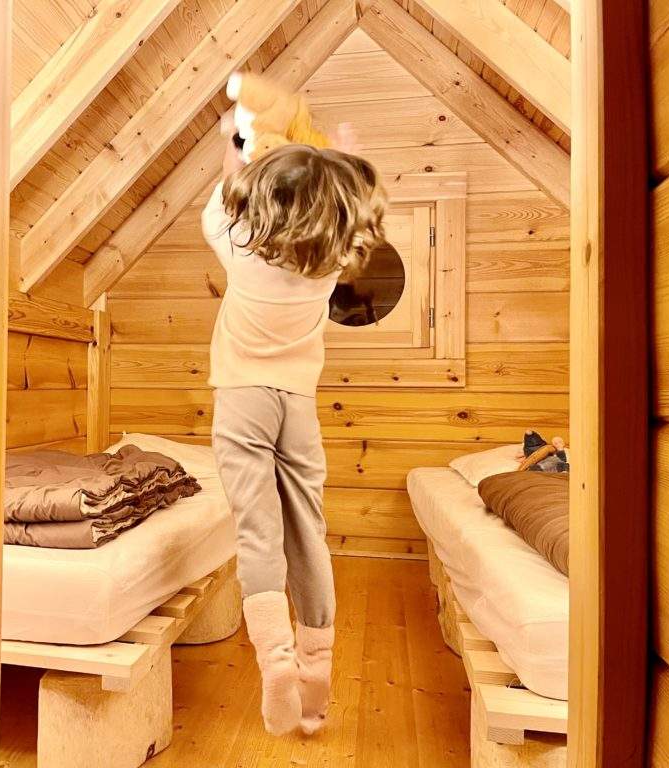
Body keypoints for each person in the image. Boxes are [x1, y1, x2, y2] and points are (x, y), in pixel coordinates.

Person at [202, 118, 386, 736]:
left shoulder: (238, 245)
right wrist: (344, 154)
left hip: (243, 401)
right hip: (298, 408)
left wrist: (236, 138)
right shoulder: (330, 264)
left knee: (258, 531)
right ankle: (315, 664)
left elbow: (228, 186)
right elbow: (346, 213)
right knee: (308, 529)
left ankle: (275, 661)